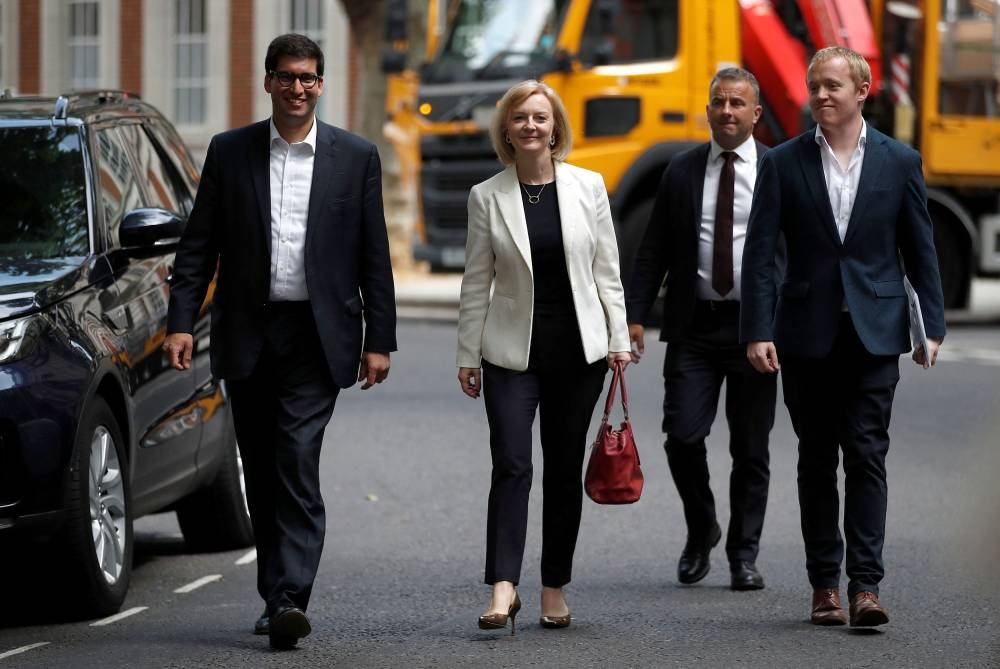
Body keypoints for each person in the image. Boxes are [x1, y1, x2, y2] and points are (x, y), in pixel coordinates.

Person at [163, 33, 396, 649]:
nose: (298, 87)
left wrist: (381, 339)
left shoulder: (355, 156)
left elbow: (375, 253)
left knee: (296, 457)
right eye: (287, 76)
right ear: (268, 81)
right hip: (248, 332)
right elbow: (198, 247)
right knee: (262, 472)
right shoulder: (230, 151)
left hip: (320, 336)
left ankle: (290, 595)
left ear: (321, 85)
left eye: (309, 78)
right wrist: (181, 322)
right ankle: (276, 600)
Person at [741, 46, 945, 627]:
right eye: (815, 87)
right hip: (805, 332)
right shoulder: (781, 163)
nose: (821, 95)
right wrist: (757, 328)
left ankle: (866, 586)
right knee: (815, 458)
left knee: (867, 454)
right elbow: (760, 255)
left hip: (875, 333)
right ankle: (824, 584)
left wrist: (929, 324)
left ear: (862, 90)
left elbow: (919, 248)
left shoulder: (899, 162)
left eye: (833, 86)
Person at [456, 80, 631, 633]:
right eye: (520, 118)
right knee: (511, 464)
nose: (531, 126)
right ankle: (503, 587)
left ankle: (553, 585)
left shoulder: (589, 187)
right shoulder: (487, 196)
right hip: (510, 354)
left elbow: (607, 271)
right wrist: (467, 353)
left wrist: (619, 339)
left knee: (561, 470)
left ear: (555, 126)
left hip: (578, 354)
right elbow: (475, 281)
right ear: (506, 129)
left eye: (541, 117)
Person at [627, 67, 777, 591]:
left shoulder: (778, 171)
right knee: (682, 438)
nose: (728, 111)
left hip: (756, 331)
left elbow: (797, 252)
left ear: (756, 114)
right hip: (694, 329)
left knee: (751, 449)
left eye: (739, 103)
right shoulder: (682, 170)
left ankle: (744, 555)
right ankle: (702, 528)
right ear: (708, 109)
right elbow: (655, 250)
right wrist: (635, 315)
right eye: (720, 102)